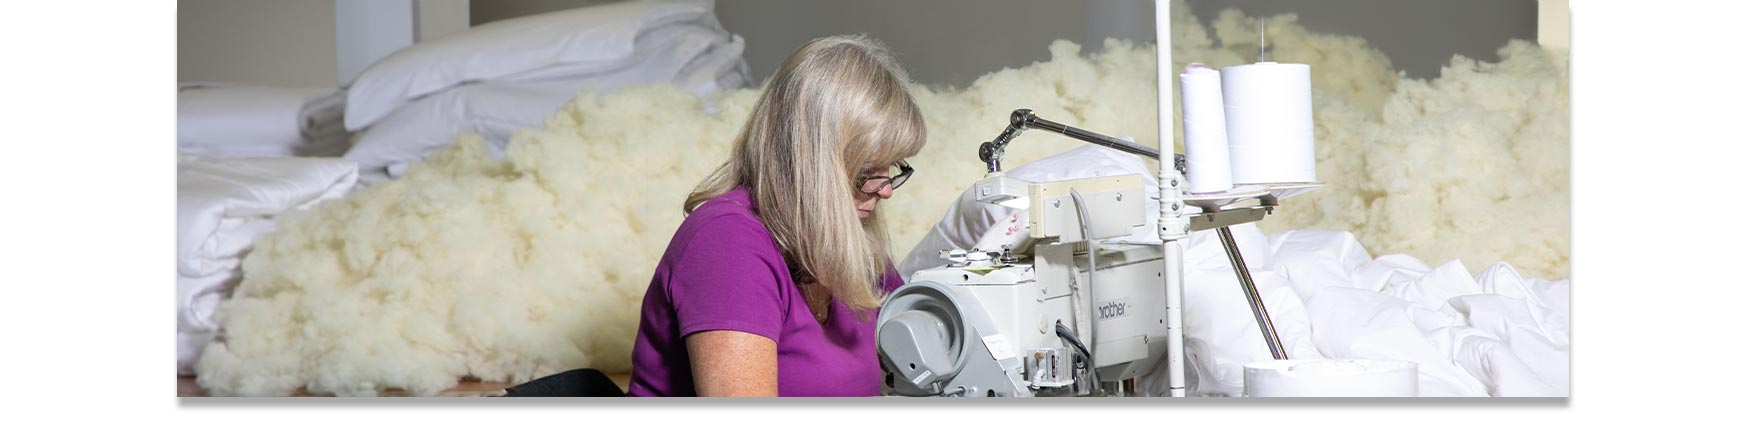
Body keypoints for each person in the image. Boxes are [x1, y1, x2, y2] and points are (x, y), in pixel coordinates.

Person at [625, 34, 926, 397]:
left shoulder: (844, 239)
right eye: (866, 171)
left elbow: (926, 335)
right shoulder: (726, 244)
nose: (886, 189)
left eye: (890, 168)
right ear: (810, 164)